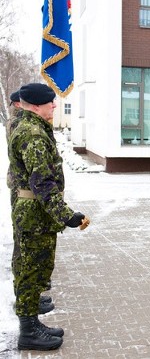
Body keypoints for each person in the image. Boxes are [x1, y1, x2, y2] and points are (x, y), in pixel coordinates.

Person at [9, 83, 87, 350]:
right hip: (35, 214)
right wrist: (68, 216)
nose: (54, 106)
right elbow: (42, 184)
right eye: (50, 102)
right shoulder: (33, 135)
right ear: (35, 106)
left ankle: (31, 324)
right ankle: (28, 332)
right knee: (31, 271)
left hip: (33, 213)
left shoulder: (33, 128)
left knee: (33, 268)